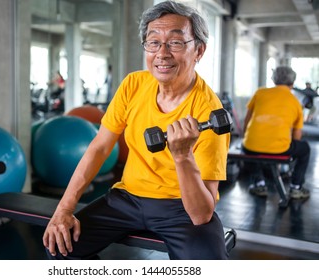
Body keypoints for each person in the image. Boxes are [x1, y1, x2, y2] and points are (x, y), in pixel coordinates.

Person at [43, 0, 230, 260]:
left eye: (175, 42)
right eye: (153, 42)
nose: (162, 53)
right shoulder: (133, 84)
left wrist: (182, 156)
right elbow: (99, 147)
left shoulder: (209, 111)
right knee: (59, 246)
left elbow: (201, 215)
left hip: (181, 207)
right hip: (127, 198)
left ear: (198, 50)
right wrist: (63, 209)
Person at [242, 66, 310, 199]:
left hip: (251, 145)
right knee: (305, 148)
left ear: (274, 80)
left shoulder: (260, 93)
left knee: (248, 148)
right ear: (292, 83)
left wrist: (246, 138)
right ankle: (296, 187)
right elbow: (297, 135)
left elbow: (247, 120)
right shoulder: (295, 102)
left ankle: (259, 184)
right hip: (280, 149)